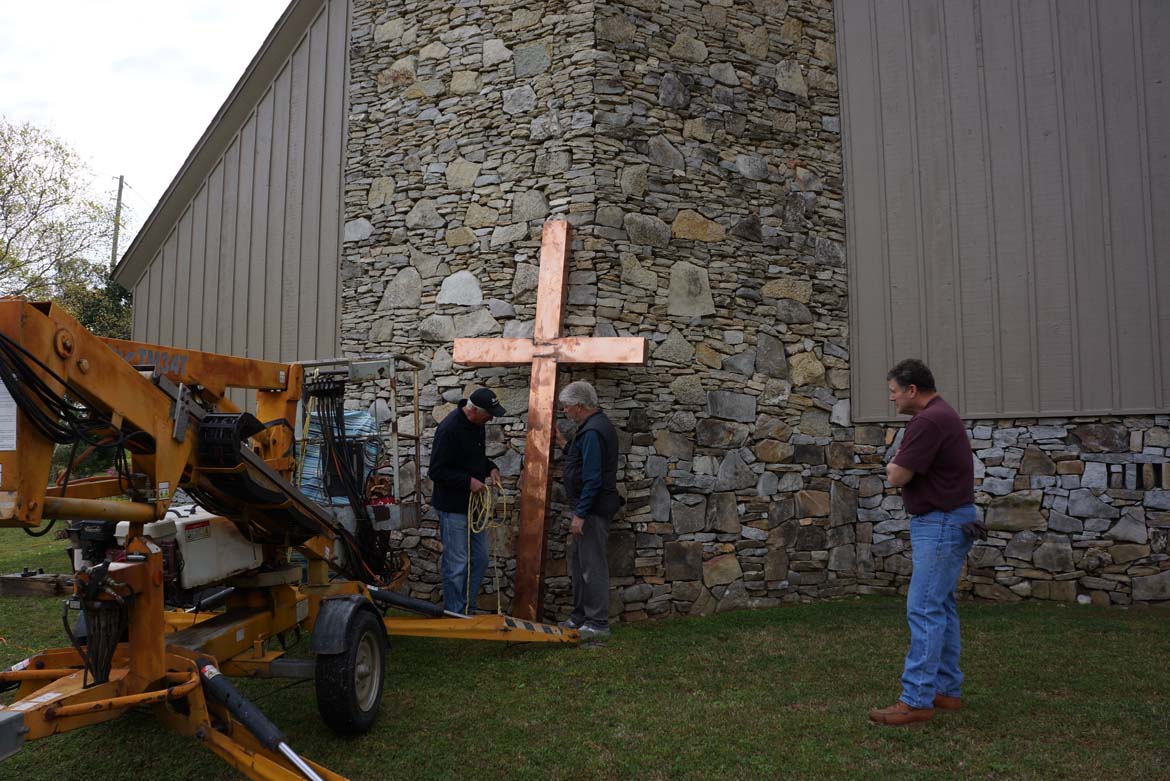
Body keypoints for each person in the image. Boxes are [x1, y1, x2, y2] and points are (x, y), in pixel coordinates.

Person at [869, 359, 984, 726]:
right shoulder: (942, 416)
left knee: (923, 609)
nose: (892, 398)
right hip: (953, 520)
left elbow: (898, 475)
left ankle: (916, 699)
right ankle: (946, 691)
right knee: (941, 607)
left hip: (940, 523)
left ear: (912, 390)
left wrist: (892, 468)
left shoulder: (928, 421)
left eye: (893, 391)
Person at [428, 387, 505, 614]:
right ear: (473, 410)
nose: (491, 418)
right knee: (457, 561)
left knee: (480, 558)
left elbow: (475, 458)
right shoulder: (448, 429)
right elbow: (436, 471)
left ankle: (467, 606)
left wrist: (490, 468)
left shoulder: (477, 425)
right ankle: (454, 610)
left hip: (474, 507)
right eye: (489, 413)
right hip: (453, 507)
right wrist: (467, 482)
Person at [557, 380, 622, 641]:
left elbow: (593, 477)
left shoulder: (594, 431)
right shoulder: (590, 428)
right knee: (580, 562)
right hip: (588, 509)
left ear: (580, 407)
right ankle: (580, 616)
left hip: (592, 511)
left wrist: (581, 514)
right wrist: (563, 443)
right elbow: (580, 457)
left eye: (567, 408)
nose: (565, 412)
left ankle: (597, 623)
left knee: (591, 566)